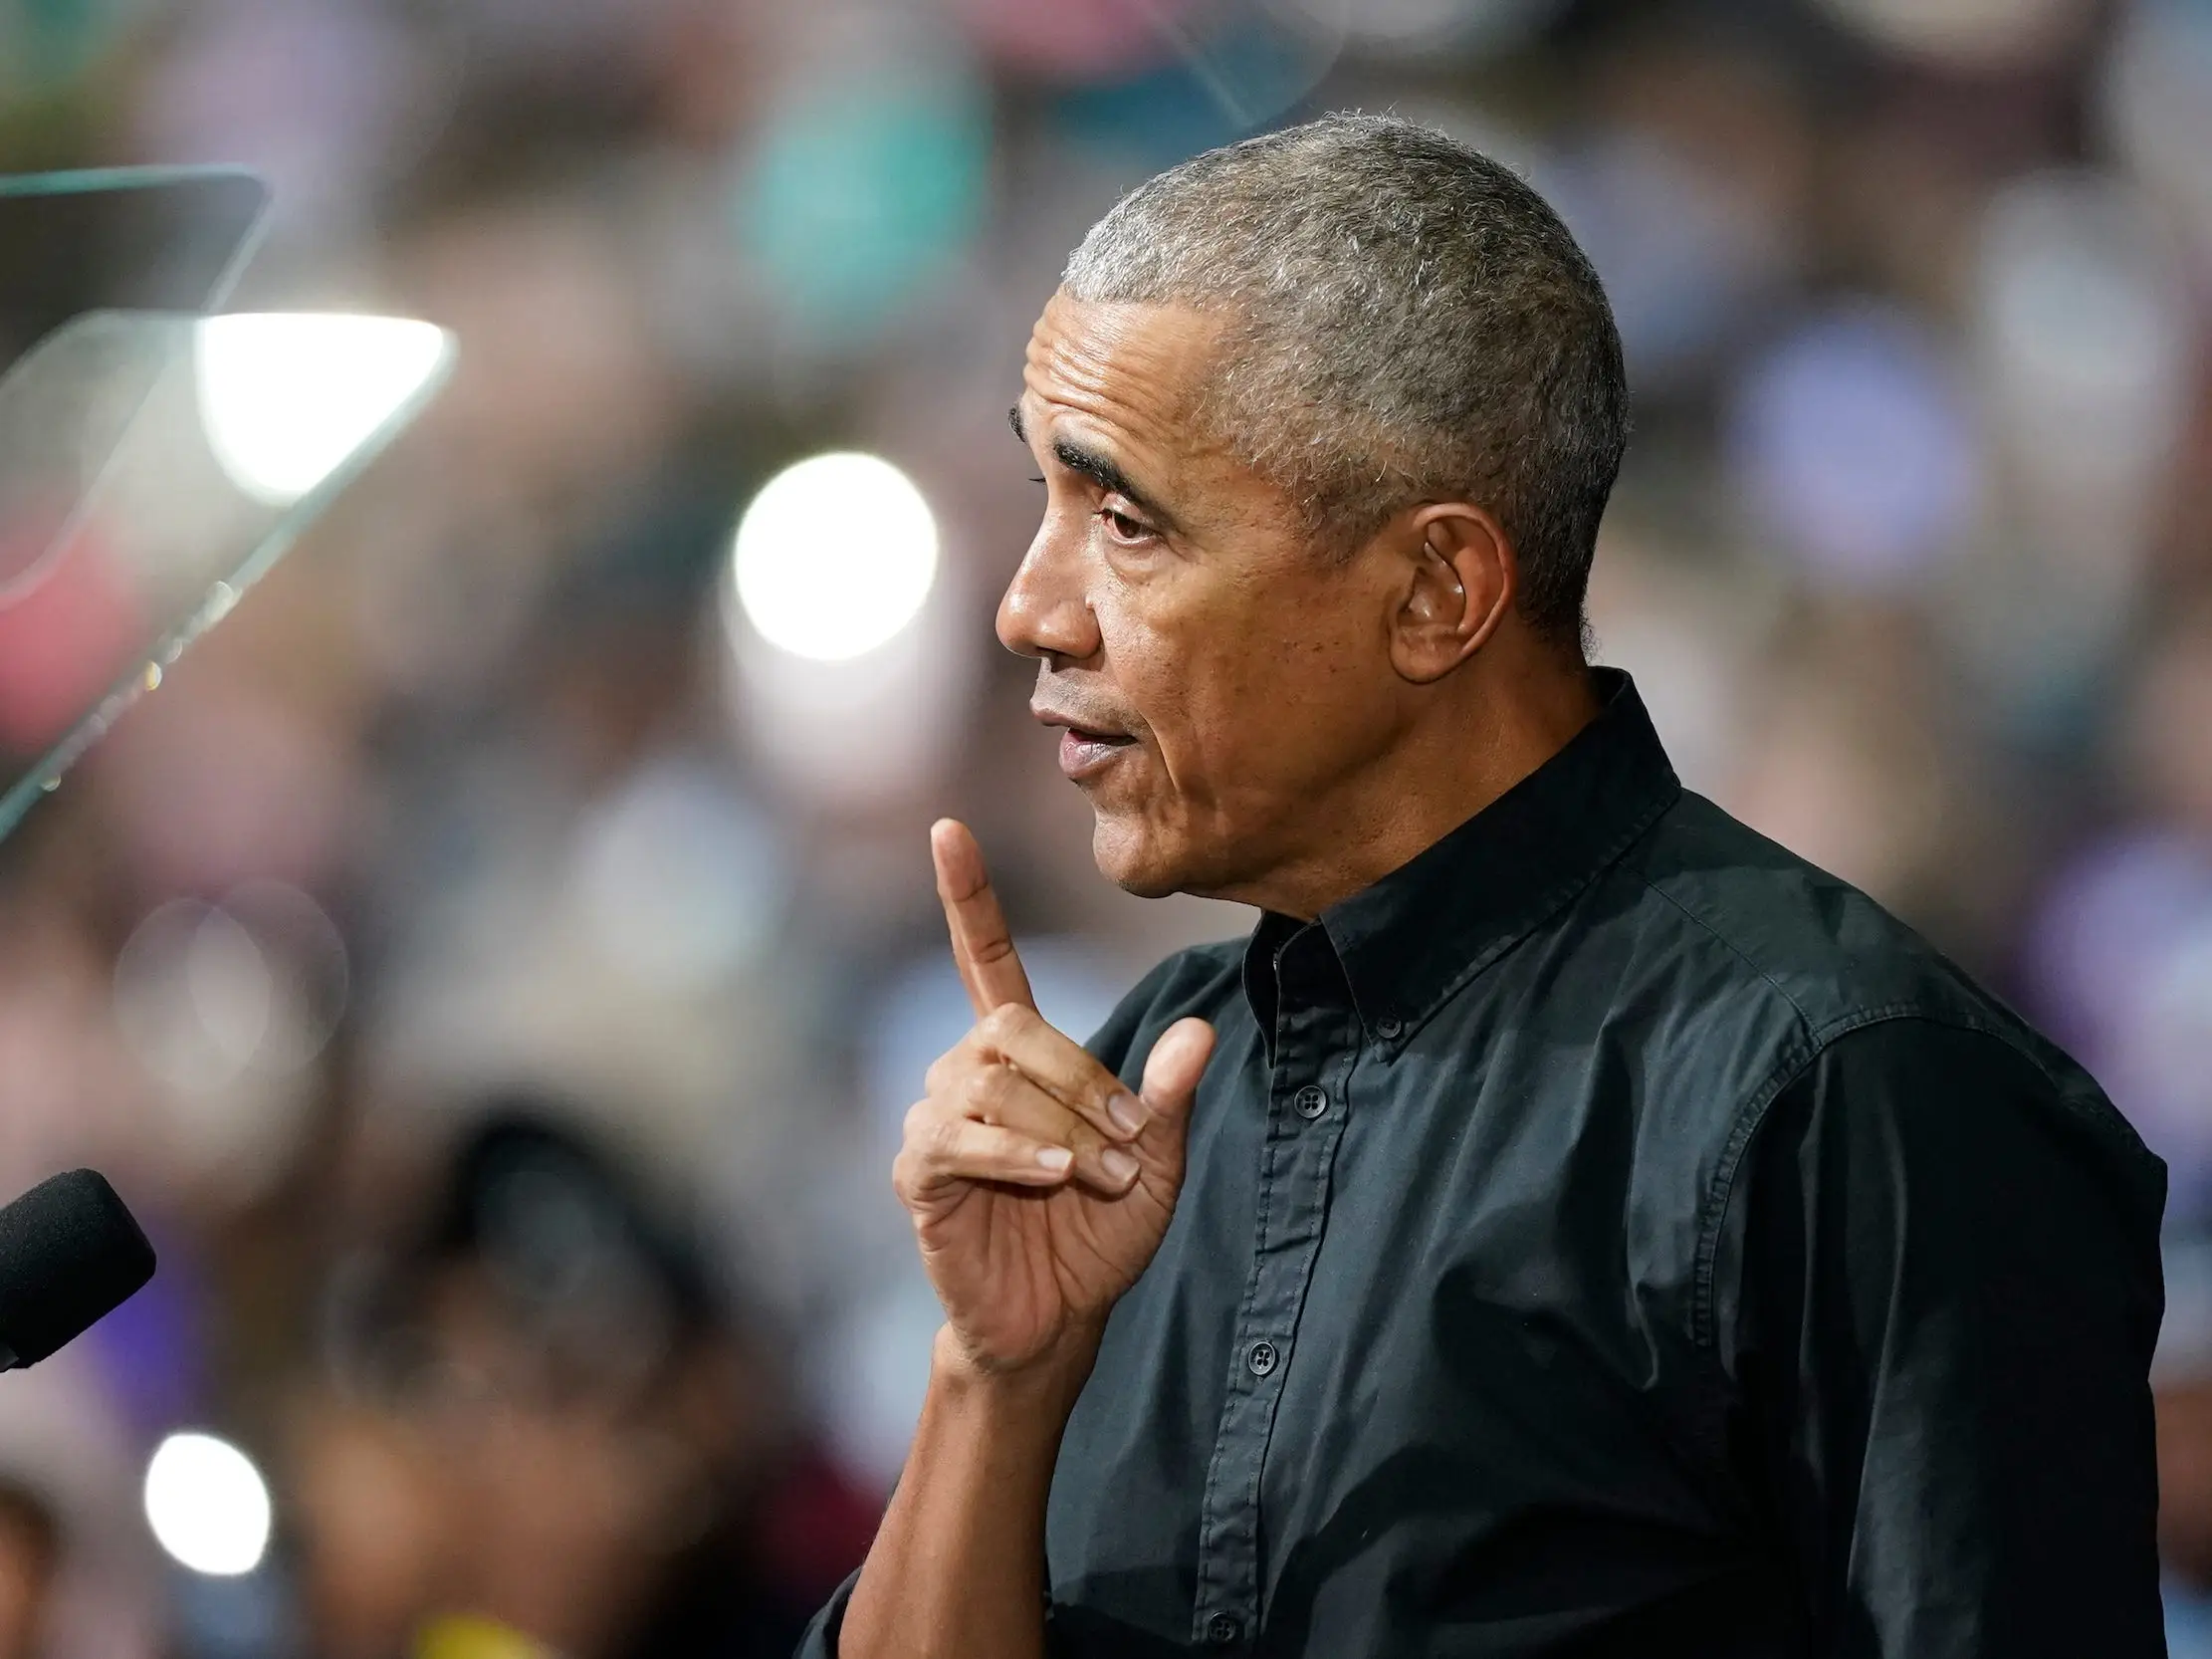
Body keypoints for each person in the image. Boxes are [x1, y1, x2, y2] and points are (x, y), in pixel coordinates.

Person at [802, 115, 2167, 1657]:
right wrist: (996, 1380)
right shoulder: (1133, 1088)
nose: (1026, 607)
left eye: (1123, 519)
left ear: (1436, 591)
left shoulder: (1850, 1094)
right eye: (1043, 501)